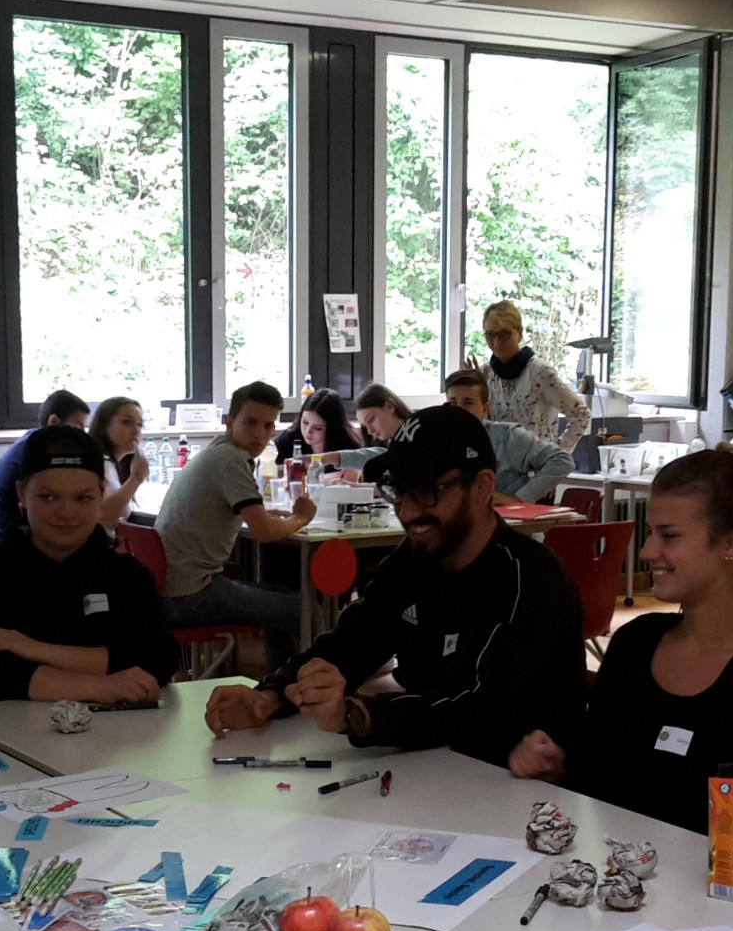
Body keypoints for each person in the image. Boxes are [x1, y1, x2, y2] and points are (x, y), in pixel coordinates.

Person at [204, 403, 586, 768]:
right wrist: (268, 697)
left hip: (520, 786)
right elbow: (351, 644)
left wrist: (355, 715)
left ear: (482, 486)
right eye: (399, 491)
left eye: (427, 492)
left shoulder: (528, 578)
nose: (407, 511)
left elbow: (469, 703)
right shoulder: (416, 559)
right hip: (434, 768)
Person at [509, 437, 733, 831]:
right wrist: (556, 765)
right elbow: (596, 773)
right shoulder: (635, 643)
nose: (647, 551)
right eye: (651, 533)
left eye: (669, 536)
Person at [0, 426, 177, 706]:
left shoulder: (127, 575)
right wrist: (103, 686)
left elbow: (159, 659)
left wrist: (34, 649)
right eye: (48, 497)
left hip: (118, 731)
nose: (67, 513)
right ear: (22, 494)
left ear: (101, 495)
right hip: (12, 728)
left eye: (83, 498)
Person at [155, 381, 318, 671]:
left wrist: (262, 514)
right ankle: (315, 685)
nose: (260, 434)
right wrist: (300, 518)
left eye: (268, 426)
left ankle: (284, 680)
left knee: (284, 596)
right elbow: (264, 532)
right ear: (230, 422)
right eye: (250, 423)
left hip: (172, 589)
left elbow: (233, 510)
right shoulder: (233, 460)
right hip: (190, 595)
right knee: (307, 610)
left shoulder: (217, 450)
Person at [440, 369, 575, 504]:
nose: (459, 409)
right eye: (453, 403)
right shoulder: (439, 439)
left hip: (501, 514)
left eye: (468, 402)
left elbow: (562, 461)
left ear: (484, 409)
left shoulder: (507, 436)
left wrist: (519, 498)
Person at [0, 389, 90, 551]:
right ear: (53, 422)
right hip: (3, 546)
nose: (82, 436)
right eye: (78, 428)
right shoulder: (37, 453)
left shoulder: (30, 441)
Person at [470, 298, 591, 445]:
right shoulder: (486, 374)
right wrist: (474, 394)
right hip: (500, 459)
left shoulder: (539, 372)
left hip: (537, 459)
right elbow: (484, 426)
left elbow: (581, 415)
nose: (497, 342)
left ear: (519, 334)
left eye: (504, 334)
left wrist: (557, 454)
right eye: (490, 335)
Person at [88, 395, 151, 530]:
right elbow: (103, 516)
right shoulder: (101, 464)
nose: (136, 431)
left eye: (139, 425)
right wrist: (137, 477)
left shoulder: (112, 465)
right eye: (127, 422)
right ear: (103, 427)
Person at [274, 388, 365, 467]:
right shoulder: (289, 439)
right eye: (305, 422)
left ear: (332, 428)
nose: (308, 431)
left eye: (317, 428)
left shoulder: (348, 446)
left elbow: (350, 476)